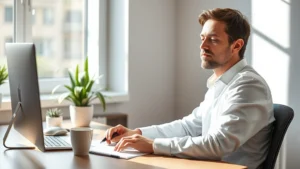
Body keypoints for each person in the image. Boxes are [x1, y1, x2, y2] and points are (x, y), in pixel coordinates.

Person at [104, 8, 275, 169]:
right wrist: (137, 133)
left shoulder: (249, 86)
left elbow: (219, 144)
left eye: (213, 40)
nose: (203, 46)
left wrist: (154, 145)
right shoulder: (222, 83)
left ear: (236, 46)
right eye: (202, 38)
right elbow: (189, 127)